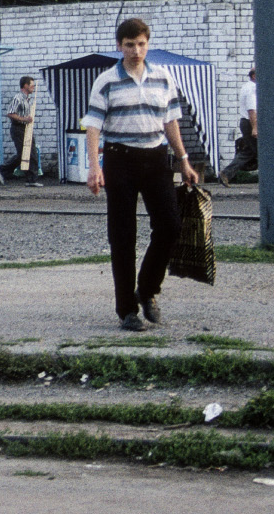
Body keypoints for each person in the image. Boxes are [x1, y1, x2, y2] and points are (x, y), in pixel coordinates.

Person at [84, 17, 201, 333]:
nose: (136, 50)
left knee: (170, 225)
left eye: (141, 44)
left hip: (155, 159)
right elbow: (93, 126)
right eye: (130, 44)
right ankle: (127, 311)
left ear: (148, 44)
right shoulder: (106, 80)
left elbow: (171, 122)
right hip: (119, 161)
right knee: (122, 236)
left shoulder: (163, 77)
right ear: (119, 46)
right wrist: (95, 168)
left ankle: (147, 289)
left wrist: (184, 161)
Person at [0, 76, 41, 186]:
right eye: (31, 85)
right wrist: (24, 119)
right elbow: (10, 113)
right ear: (25, 86)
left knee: (32, 153)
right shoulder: (18, 98)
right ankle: (2, 169)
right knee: (23, 154)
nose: (33, 87)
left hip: (26, 128)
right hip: (18, 128)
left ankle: (32, 179)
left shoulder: (27, 99)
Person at [220, 68, 258, 184]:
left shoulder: (246, 86)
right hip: (250, 122)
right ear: (254, 76)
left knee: (249, 152)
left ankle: (226, 174)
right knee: (263, 152)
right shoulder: (252, 88)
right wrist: (255, 127)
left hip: (247, 122)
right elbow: (251, 110)